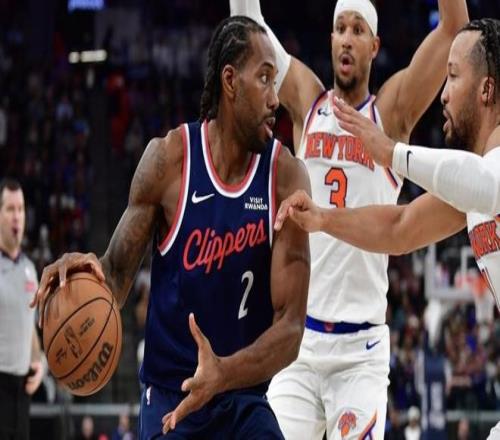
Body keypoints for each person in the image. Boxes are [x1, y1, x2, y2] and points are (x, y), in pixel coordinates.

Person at [32, 16, 311, 439]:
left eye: (276, 83)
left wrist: (223, 373)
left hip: (242, 399)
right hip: (170, 402)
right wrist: (84, 276)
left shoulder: (285, 176)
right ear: (230, 81)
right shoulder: (169, 160)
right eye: (264, 79)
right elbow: (115, 274)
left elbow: (290, 328)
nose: (276, 99)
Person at [230, 0, 469, 438]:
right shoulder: (308, 100)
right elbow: (249, 27)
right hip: (298, 343)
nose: (346, 38)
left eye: (358, 30)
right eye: (340, 27)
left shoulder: (390, 112)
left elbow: (455, 28)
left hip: (359, 351)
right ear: (330, 39)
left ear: (374, 46)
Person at [274, 18, 500, 440]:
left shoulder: (484, 179)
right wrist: (323, 218)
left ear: (486, 90)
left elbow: (488, 185)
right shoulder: (471, 186)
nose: (443, 93)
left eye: (452, 77)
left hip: (359, 351)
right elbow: (400, 227)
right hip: (305, 346)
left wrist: (391, 152)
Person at [0, 177, 44, 440]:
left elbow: (30, 329)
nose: (17, 216)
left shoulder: (30, 270)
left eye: (21, 209)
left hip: (22, 393)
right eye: (10, 209)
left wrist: (39, 362)